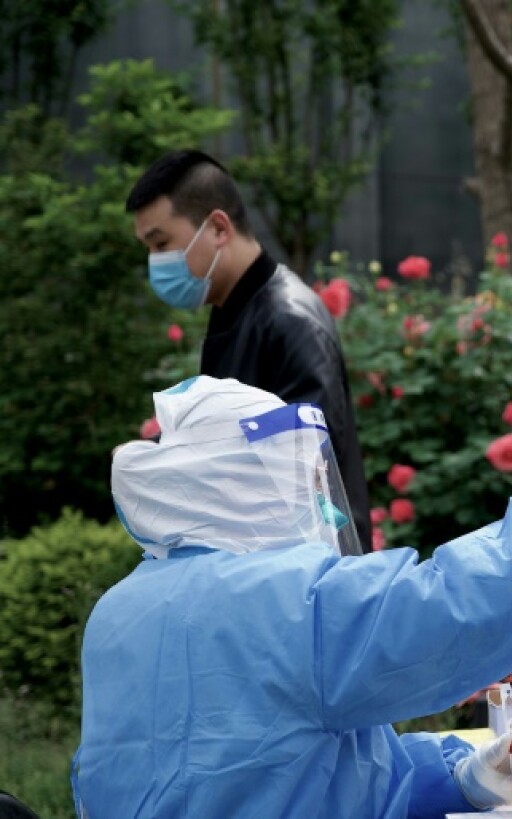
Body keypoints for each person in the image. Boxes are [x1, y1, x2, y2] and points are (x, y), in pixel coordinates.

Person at [72, 375, 512, 818]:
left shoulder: (116, 612)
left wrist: (459, 778)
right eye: (302, 481)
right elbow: (459, 606)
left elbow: (294, 764)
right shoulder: (290, 600)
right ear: (243, 481)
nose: (325, 507)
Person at [125, 149, 373, 553]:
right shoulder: (234, 311)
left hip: (310, 576)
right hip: (264, 573)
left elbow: (299, 472)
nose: (155, 262)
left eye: (162, 243)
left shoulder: (289, 321)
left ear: (218, 227)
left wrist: (165, 466)